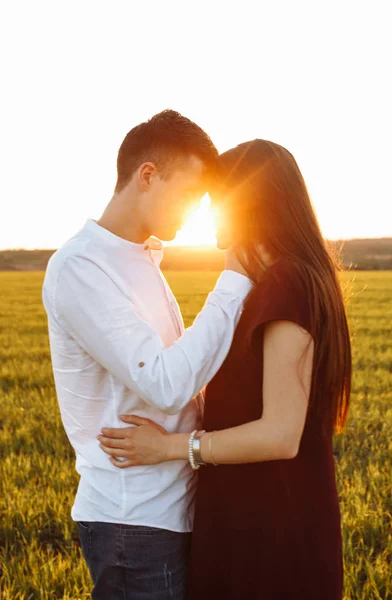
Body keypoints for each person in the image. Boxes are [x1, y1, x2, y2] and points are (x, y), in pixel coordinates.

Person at [98, 139, 352, 599]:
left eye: (215, 202)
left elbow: (279, 433)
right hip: (258, 515)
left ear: (249, 203)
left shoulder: (286, 285)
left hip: (269, 530)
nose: (208, 216)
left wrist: (171, 447)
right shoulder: (283, 281)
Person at [42, 110, 253, 600]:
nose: (194, 210)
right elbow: (164, 383)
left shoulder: (139, 257)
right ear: (148, 176)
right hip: (130, 520)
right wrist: (236, 277)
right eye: (190, 194)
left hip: (164, 512)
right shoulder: (81, 266)